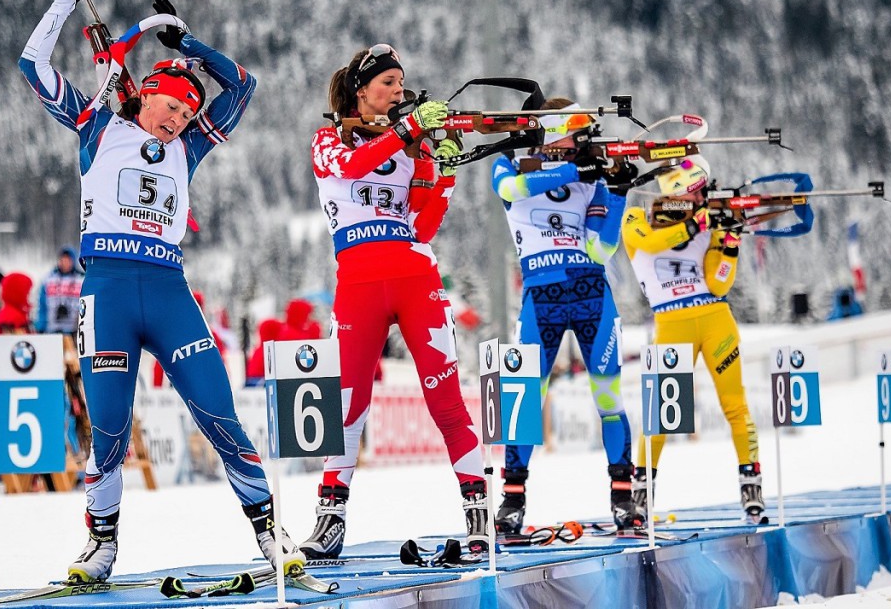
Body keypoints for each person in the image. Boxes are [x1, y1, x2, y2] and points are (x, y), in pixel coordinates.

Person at [18, 0, 304, 582]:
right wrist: (66, 2)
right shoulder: (97, 124)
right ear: (144, 93)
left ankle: (269, 534)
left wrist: (187, 45)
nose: (177, 119)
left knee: (218, 411)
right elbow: (31, 66)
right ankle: (102, 547)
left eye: (186, 112)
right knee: (111, 428)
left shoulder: (189, 146)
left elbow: (243, 87)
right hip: (109, 292)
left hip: (169, 291)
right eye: (171, 106)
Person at [300, 44, 487, 558]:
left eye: (402, 85)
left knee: (446, 402)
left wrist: (442, 172)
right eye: (389, 84)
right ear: (361, 91)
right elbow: (356, 166)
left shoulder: (410, 146)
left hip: (414, 276)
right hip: (358, 284)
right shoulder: (326, 140)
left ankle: (478, 513)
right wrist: (407, 134)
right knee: (347, 405)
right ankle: (330, 517)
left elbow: (423, 226)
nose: (399, 93)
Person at [489, 98, 641, 532]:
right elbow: (510, 193)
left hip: (592, 292)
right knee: (527, 400)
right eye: (575, 133)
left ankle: (622, 496)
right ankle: (512, 499)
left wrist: (616, 195)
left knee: (608, 399)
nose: (581, 142)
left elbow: (601, 249)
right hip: (542, 296)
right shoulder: (510, 165)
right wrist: (575, 171)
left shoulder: (592, 181)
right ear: (554, 134)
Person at [621, 156, 765, 523]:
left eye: (703, 192)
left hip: (715, 318)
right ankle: (642, 492)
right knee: (660, 417)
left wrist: (729, 241)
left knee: (735, 405)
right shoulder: (637, 217)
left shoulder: (708, 223)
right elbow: (650, 244)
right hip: (671, 323)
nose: (702, 198)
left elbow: (718, 282)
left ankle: (752, 484)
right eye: (695, 192)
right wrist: (695, 224)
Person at [36, 246, 85, 334]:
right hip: (51, 330)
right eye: (63, 260)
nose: (65, 263)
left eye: (68, 260)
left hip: (73, 330)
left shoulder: (81, 280)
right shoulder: (48, 279)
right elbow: (42, 305)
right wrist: (40, 326)